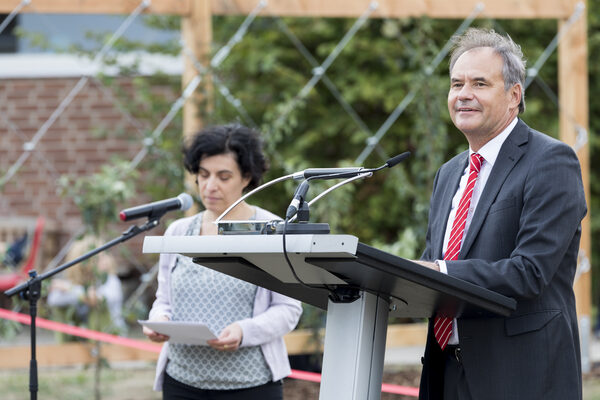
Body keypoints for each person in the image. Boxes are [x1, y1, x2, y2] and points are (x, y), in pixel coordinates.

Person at [415, 28, 587, 400]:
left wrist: (439, 272)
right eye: (456, 83)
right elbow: (433, 267)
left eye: (479, 83)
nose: (464, 94)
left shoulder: (550, 161)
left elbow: (530, 272)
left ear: (514, 95)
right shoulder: (448, 174)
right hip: (446, 372)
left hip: (520, 375)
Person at [143, 124, 303, 399]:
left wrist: (245, 331)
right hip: (181, 384)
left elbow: (288, 309)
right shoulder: (178, 232)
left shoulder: (272, 229)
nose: (210, 186)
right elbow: (164, 300)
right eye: (203, 175)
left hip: (250, 386)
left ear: (247, 178)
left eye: (224, 176)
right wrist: (159, 320)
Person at [47, 235, 126, 333]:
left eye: (105, 255)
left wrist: (71, 289)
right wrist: (82, 294)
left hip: (111, 336)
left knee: (98, 310)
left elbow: (101, 299)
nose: (105, 261)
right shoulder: (72, 281)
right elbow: (54, 300)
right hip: (80, 336)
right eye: (99, 258)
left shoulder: (111, 280)